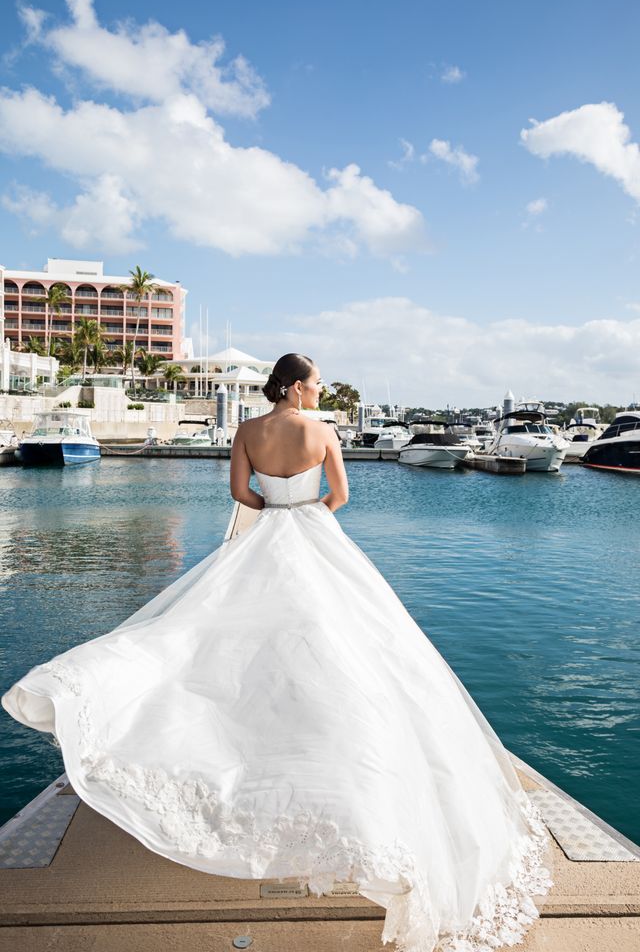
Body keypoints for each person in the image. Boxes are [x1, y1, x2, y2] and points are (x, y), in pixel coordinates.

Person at [1, 352, 553, 952]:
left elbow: (241, 492)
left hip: (264, 537)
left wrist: (273, 518)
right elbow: (339, 496)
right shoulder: (322, 432)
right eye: (316, 383)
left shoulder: (246, 431)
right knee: (345, 650)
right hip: (317, 537)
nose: (320, 392)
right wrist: (306, 517)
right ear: (294, 387)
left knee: (223, 646)